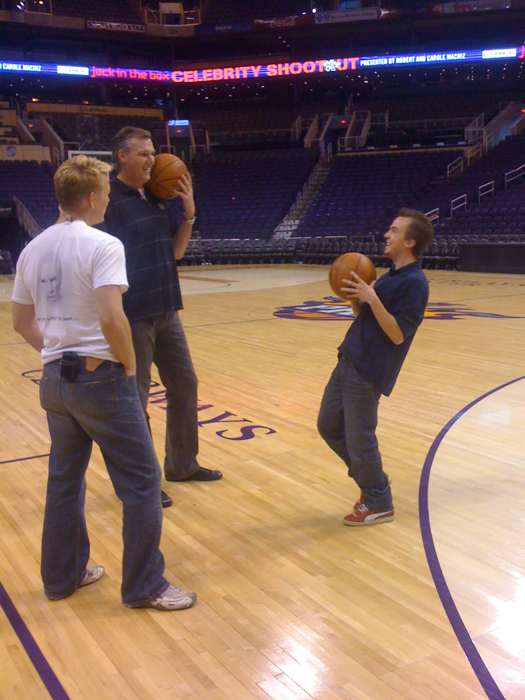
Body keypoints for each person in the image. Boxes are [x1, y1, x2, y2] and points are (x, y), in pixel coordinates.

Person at [11, 155, 196, 610]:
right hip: (100, 378)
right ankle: (144, 586)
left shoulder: (32, 249)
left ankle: (62, 578)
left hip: (55, 381)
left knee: (64, 482)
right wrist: (129, 365)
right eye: (107, 194)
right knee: (142, 481)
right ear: (92, 198)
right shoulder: (103, 244)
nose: (108, 202)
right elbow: (113, 316)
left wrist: (57, 352)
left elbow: (20, 322)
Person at [100, 127, 222, 510]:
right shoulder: (109, 202)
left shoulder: (156, 196)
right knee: (135, 400)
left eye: (154, 153)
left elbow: (176, 254)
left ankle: (182, 464)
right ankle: (142, 482)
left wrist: (188, 214)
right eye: (144, 154)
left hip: (167, 310)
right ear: (122, 156)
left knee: (185, 384)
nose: (153, 160)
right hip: (132, 315)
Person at [317, 209, 433, 526]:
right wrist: (357, 297)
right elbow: (367, 318)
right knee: (328, 426)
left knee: (360, 438)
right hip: (349, 359)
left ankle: (379, 499)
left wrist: (373, 297)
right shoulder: (392, 276)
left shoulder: (415, 284)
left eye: (394, 231)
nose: (387, 234)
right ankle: (375, 483)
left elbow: (397, 334)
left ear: (409, 241)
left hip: (369, 371)